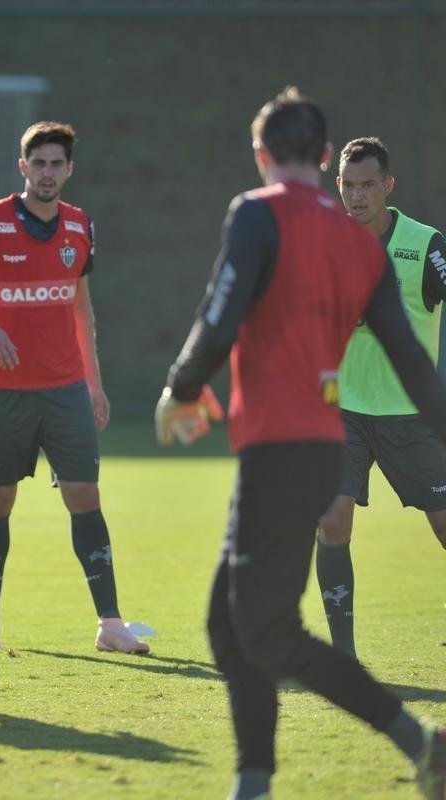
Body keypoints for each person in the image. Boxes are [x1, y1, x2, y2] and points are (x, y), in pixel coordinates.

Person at [156, 87, 446, 800]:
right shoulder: (359, 243)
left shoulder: (256, 213)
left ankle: (420, 743)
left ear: (261, 154)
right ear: (324, 157)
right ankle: (254, 782)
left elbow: (219, 316)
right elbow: (413, 360)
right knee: (230, 627)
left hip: (281, 451)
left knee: (267, 632)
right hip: (320, 447)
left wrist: (181, 387)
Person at [0, 121, 149, 654]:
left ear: (69, 170)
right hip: (1, 391)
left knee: (84, 495)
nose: (47, 173)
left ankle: (110, 624)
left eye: (56, 164)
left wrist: (94, 383)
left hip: (65, 388)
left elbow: (81, 306)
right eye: (39, 163)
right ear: (22, 167)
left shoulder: (80, 226)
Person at [314, 137, 446, 658]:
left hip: (411, 416)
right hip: (342, 412)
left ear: (388, 186)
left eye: (368, 184)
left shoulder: (426, 245)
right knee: (332, 520)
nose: (357, 195)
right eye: (348, 185)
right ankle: (343, 655)